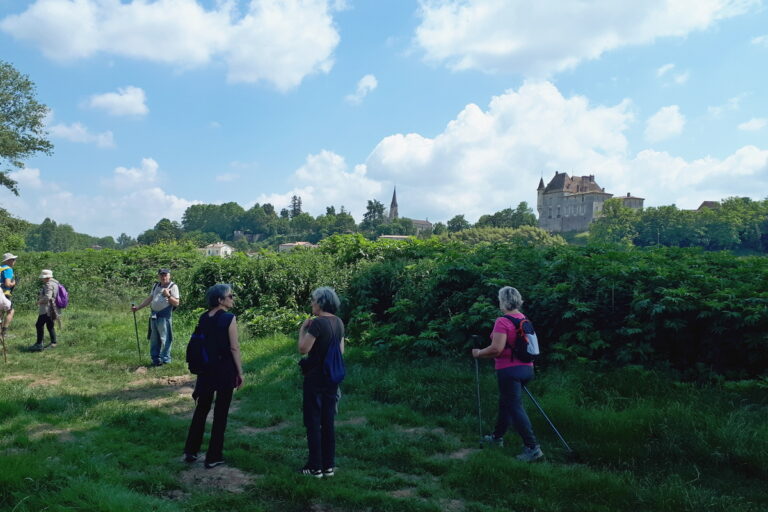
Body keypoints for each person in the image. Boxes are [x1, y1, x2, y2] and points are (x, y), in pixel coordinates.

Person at [472, 286, 543, 462]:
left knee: (514, 406)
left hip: (509, 370)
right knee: (507, 404)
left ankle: (532, 447)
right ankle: (497, 438)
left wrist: (479, 353)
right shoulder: (524, 319)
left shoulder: (502, 321)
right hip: (527, 369)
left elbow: (497, 349)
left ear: (503, 301)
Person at [183, 284, 244, 469]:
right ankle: (213, 456)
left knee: (201, 410)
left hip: (206, 370)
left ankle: (191, 451)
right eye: (230, 296)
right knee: (220, 414)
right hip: (224, 370)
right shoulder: (228, 318)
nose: (232, 298)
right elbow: (234, 347)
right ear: (220, 300)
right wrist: (240, 372)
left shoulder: (203, 317)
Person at [297, 286, 345, 478]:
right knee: (328, 421)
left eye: (313, 300)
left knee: (313, 422)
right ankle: (329, 466)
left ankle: (314, 467)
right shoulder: (339, 322)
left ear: (321, 302)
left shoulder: (317, 323)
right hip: (332, 377)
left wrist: (302, 329)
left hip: (315, 377)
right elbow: (341, 352)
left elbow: (303, 348)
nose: (312, 303)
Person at [131, 269, 180, 366]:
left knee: (165, 339)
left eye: (165, 275)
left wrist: (168, 296)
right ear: (158, 276)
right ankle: (155, 360)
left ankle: (165, 360)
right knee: (154, 339)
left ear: (169, 276)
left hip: (164, 316)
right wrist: (138, 308)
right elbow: (150, 299)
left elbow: (177, 303)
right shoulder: (156, 285)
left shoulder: (173, 286)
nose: (163, 277)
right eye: (161, 275)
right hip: (154, 316)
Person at [29, 269, 60, 351]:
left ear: (47, 277)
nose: (41, 279)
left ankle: (39, 344)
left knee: (39, 325)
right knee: (50, 325)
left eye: (42, 277)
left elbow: (48, 297)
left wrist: (39, 302)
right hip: (54, 308)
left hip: (47, 309)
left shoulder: (48, 284)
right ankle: (53, 343)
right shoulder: (56, 283)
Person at [0, 253, 18, 338]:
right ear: (8, 261)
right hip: (4, 293)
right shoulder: (8, 269)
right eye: (13, 259)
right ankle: (4, 333)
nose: (14, 261)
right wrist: (14, 283)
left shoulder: (1, 268)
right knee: (10, 311)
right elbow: (7, 284)